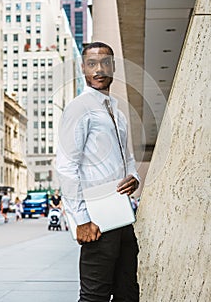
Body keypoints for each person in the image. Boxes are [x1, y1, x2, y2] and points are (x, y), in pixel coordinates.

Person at [56, 42, 140, 302]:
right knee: (95, 297)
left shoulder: (117, 112)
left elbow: (127, 158)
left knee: (128, 293)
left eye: (105, 63)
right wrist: (80, 219)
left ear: (113, 67)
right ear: (83, 68)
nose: (99, 69)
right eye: (92, 64)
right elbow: (66, 165)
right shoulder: (78, 108)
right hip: (97, 220)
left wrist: (134, 176)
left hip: (123, 217)